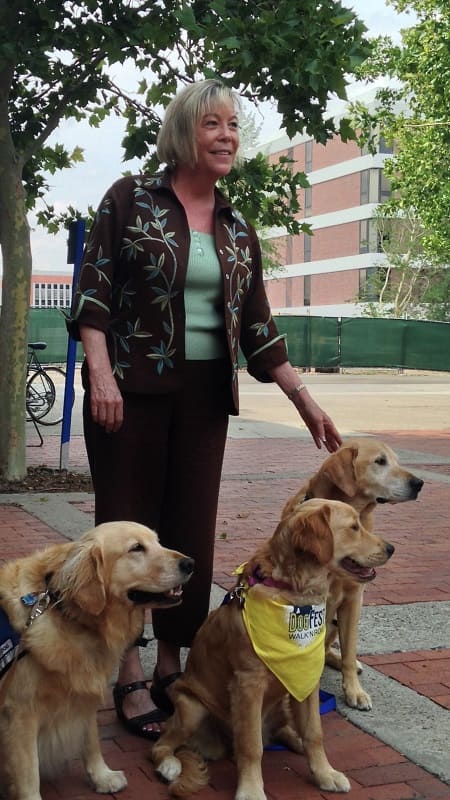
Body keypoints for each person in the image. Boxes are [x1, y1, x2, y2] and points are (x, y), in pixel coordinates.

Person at [68, 79, 342, 739]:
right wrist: (99, 376)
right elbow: (93, 293)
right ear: (184, 132)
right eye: (213, 124)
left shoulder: (236, 227)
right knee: (127, 532)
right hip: (128, 391)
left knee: (188, 530)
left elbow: (258, 329)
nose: (226, 136)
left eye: (232, 127)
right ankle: (127, 672)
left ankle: (170, 664)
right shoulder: (131, 200)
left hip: (203, 397)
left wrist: (304, 400)